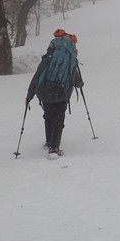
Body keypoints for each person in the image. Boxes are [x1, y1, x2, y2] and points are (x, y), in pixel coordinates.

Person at [26, 29, 83, 158]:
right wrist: (80, 84)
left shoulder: (49, 57)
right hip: (62, 93)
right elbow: (76, 79)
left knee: (48, 116)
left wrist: (29, 95)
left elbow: (37, 76)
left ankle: (48, 142)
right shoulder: (70, 58)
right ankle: (54, 148)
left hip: (45, 91)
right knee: (58, 119)